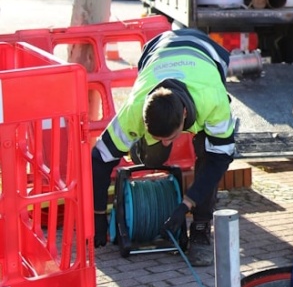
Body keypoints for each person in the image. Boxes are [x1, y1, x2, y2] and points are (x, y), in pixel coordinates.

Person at [91, 28, 236, 267]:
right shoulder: (134, 109)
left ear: (185, 115)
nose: (169, 142)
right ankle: (142, 147)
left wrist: (187, 204)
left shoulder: (213, 100)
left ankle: (200, 231)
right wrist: (97, 216)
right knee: (153, 156)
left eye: (172, 137)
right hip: (157, 50)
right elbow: (100, 158)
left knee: (207, 151)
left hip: (207, 57)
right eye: (160, 137)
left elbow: (220, 159)